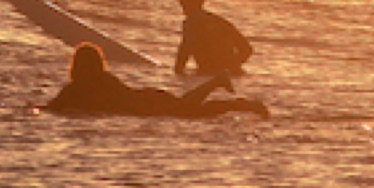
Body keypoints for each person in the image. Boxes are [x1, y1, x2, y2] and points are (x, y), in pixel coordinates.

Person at [44, 43, 268, 118]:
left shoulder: (75, 90)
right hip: (146, 98)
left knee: (190, 111)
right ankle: (239, 103)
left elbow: (51, 108)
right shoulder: (104, 79)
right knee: (192, 111)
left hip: (145, 106)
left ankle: (222, 89)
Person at [174, 0, 253, 77]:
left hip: (209, 75)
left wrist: (177, 75)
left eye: (183, 2)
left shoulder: (191, 23)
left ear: (182, 3)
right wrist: (231, 66)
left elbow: (185, 50)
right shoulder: (220, 21)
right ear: (202, 1)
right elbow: (247, 49)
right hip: (234, 75)